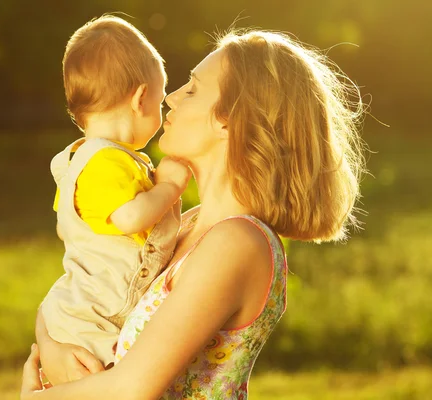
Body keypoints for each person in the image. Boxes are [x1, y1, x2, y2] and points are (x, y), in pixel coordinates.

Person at [24, 28, 366, 399]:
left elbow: (130, 389)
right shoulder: (185, 225)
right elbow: (82, 288)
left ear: (228, 119)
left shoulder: (237, 242)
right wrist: (51, 347)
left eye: (192, 89)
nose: (170, 98)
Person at [39, 14, 191, 382]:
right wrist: (169, 188)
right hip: (93, 323)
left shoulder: (96, 158)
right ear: (140, 98)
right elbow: (128, 219)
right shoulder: (103, 161)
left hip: (92, 315)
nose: (164, 106)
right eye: (159, 99)